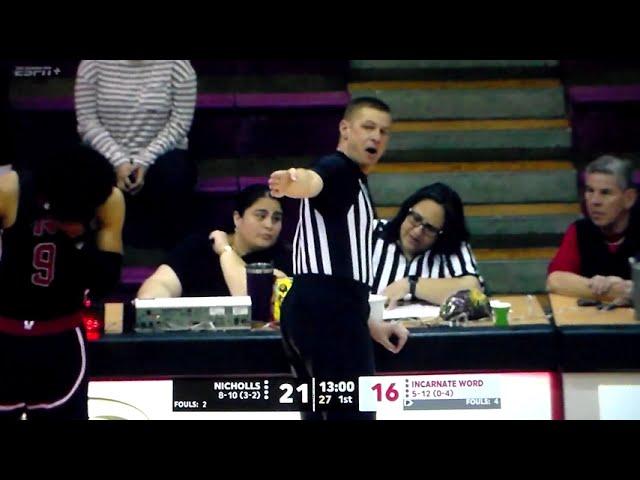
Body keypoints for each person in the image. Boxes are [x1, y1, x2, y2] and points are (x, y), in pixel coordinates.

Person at [269, 97, 409, 420]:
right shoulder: (339, 168)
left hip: (315, 310)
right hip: (328, 313)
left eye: (384, 132)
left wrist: (367, 321)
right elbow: (313, 180)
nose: (376, 137)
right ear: (345, 129)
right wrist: (292, 181)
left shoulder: (355, 181)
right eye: (368, 127)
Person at [0, 144, 125, 420]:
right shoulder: (10, 190)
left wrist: (79, 240)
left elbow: (105, 281)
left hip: (61, 338)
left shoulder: (108, 199)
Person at [74, 60, 197, 248]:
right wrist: (119, 161)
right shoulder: (92, 64)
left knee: (177, 170)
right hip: (106, 157)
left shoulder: (177, 65)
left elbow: (180, 123)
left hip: (159, 158)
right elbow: (87, 122)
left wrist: (144, 161)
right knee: (81, 167)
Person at [137, 184, 291, 298]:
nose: (269, 225)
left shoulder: (285, 259)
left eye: (276, 218)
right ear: (237, 218)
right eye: (261, 216)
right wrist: (153, 303)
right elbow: (162, 283)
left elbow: (250, 299)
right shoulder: (198, 248)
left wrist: (225, 250)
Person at [372, 182, 484, 308]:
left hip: (428, 326)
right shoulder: (372, 233)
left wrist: (411, 285)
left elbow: (474, 292)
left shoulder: (451, 247)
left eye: (429, 228)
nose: (417, 232)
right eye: (416, 218)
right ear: (406, 211)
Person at [547, 154, 638, 303]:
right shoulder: (580, 230)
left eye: (605, 193)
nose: (594, 201)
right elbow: (555, 281)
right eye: (590, 191)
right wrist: (612, 289)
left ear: (629, 198)